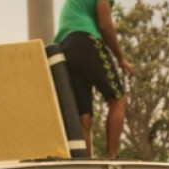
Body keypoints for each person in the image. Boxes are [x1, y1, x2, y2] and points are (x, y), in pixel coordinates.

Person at [54, 0, 134, 159]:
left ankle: (85, 162)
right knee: (118, 100)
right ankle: (112, 157)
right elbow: (105, 25)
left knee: (83, 116)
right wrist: (121, 58)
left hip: (65, 46)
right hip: (86, 39)